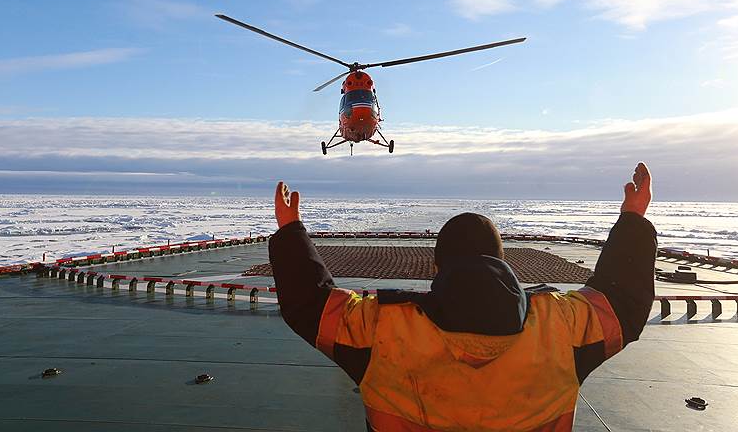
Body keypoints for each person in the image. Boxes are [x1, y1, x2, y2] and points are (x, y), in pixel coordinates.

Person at [268, 163, 656, 431]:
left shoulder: (381, 326)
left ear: (437, 268)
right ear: (502, 263)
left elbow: (311, 305)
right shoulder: (562, 326)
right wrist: (633, 220)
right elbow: (621, 305)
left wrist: (290, 230)